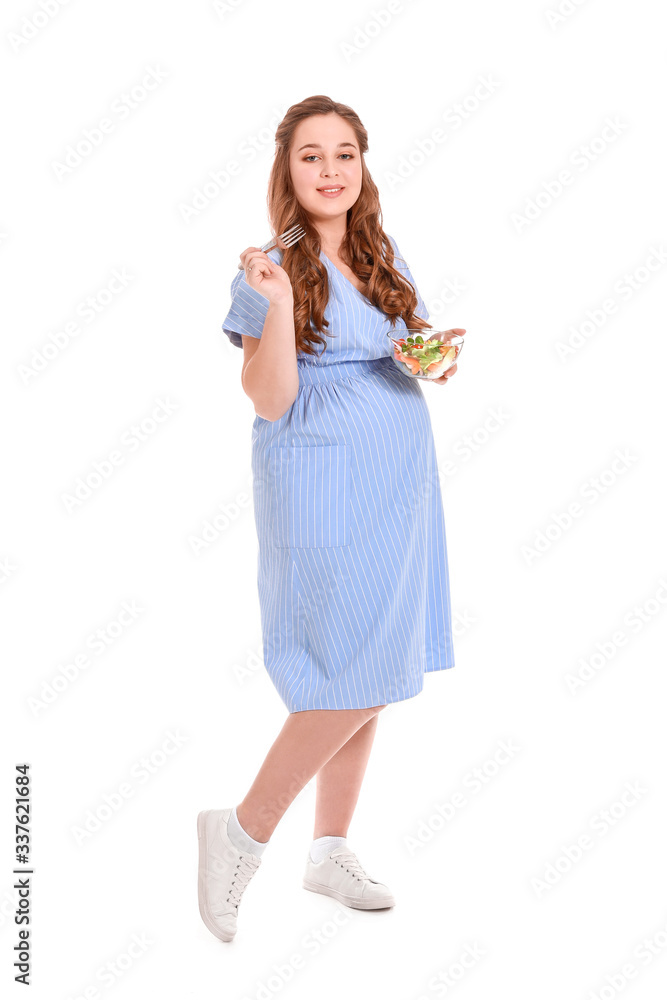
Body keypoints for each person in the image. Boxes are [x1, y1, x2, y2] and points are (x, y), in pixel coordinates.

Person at [197, 94, 465, 943]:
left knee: (378, 661)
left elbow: (393, 345)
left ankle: (329, 848)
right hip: (318, 480)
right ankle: (240, 832)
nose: (330, 170)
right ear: (286, 170)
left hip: (396, 481)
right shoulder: (265, 269)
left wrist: (424, 353)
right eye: (311, 156)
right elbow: (270, 397)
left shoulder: (379, 251)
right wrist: (273, 304)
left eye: (343, 153)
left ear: (362, 165)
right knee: (344, 662)